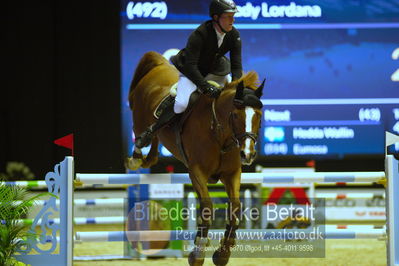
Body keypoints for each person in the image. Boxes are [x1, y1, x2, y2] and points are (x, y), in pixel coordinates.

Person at [134, 0, 242, 149]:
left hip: (217, 71)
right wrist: (204, 87)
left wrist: (237, 87)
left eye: (233, 16)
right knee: (181, 104)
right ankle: (151, 131)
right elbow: (191, 66)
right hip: (192, 71)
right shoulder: (200, 34)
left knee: (232, 101)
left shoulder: (234, 35)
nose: (233, 20)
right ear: (216, 17)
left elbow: (236, 66)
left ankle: (235, 141)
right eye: (228, 16)